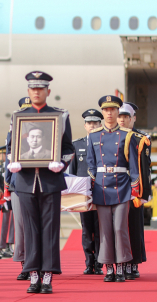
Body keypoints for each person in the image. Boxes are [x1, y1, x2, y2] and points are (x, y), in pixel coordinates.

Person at [6, 71, 75, 294]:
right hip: (25, 181)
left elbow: (68, 148)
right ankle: (33, 273)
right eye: (33, 88)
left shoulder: (60, 116)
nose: (37, 91)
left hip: (50, 180)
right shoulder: (18, 116)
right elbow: (10, 147)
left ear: (48, 91)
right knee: (29, 229)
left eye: (41, 88)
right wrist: (13, 161)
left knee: (50, 229)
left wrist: (61, 164)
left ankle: (47, 275)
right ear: (28, 91)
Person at [86, 95, 141, 283]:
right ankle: (109, 266)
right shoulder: (93, 136)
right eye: (106, 110)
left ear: (118, 112)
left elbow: (134, 166)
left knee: (119, 228)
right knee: (105, 230)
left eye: (113, 110)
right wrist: (91, 187)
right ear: (103, 112)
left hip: (122, 186)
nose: (109, 113)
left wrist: (136, 189)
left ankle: (123, 264)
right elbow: (91, 165)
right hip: (102, 186)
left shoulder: (128, 136)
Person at [69, 109, 104, 275]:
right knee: (86, 228)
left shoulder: (105, 143)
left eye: (96, 123)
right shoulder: (77, 145)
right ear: (85, 125)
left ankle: (99, 262)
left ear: (100, 125)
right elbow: (73, 173)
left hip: (102, 191)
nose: (92, 125)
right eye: (89, 123)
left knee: (100, 228)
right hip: (83, 194)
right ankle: (89, 262)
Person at [119, 102, 151, 280]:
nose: (122, 120)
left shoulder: (141, 138)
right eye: (120, 117)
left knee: (134, 225)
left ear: (133, 119)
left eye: (126, 117)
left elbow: (145, 168)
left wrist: (144, 192)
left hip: (134, 188)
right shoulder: (112, 136)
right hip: (115, 186)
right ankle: (120, 262)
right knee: (118, 227)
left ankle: (133, 262)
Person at [4, 98, 32, 281]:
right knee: (21, 225)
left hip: (38, 182)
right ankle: (25, 264)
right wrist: (8, 180)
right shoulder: (13, 132)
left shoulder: (44, 131)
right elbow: (8, 156)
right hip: (18, 183)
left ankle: (38, 263)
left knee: (36, 226)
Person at [0, 145, 13, 258]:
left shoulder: (6, 167)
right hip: (1, 200)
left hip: (8, 199)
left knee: (9, 224)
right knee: (1, 224)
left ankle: (7, 244)